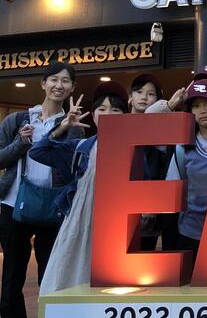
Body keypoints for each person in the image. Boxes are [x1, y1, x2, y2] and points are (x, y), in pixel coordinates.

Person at [28, 81, 128, 295]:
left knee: (111, 281)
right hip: (82, 219)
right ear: (94, 115)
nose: (108, 115)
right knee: (69, 273)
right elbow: (38, 152)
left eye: (115, 110)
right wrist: (64, 126)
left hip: (117, 224)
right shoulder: (81, 147)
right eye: (102, 109)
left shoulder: (134, 149)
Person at [0, 62, 83, 318]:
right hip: (13, 205)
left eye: (65, 81)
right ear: (43, 83)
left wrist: (64, 129)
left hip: (54, 208)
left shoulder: (74, 125)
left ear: (72, 88)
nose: (59, 85)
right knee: (11, 277)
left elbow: (72, 168)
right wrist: (20, 142)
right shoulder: (16, 120)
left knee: (51, 276)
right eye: (54, 79)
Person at [165, 79, 207, 267]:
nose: (202, 110)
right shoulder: (182, 147)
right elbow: (172, 189)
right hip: (189, 230)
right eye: (196, 106)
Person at [129, 73, 168, 251]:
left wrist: (150, 205)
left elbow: (159, 172)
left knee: (143, 256)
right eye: (139, 92)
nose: (144, 97)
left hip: (147, 209)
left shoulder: (160, 133)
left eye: (151, 94)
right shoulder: (118, 125)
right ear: (130, 97)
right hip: (117, 204)